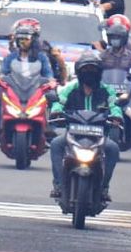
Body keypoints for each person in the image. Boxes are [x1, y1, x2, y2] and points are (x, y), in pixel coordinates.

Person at [48, 52, 122, 202]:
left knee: (113, 148)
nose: (89, 73)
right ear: (79, 72)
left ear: (100, 72)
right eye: (86, 70)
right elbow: (59, 102)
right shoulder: (70, 88)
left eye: (93, 70)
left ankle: (104, 187)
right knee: (56, 144)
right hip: (73, 135)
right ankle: (59, 185)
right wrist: (56, 111)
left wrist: (116, 116)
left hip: (99, 136)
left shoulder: (107, 90)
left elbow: (115, 105)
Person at [0, 19, 56, 133]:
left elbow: (48, 73)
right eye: (20, 39)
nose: (22, 42)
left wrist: (51, 81)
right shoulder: (11, 57)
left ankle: (49, 125)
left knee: (52, 95)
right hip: (15, 87)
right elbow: (3, 72)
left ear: (33, 40)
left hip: (35, 88)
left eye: (26, 39)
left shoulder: (41, 57)